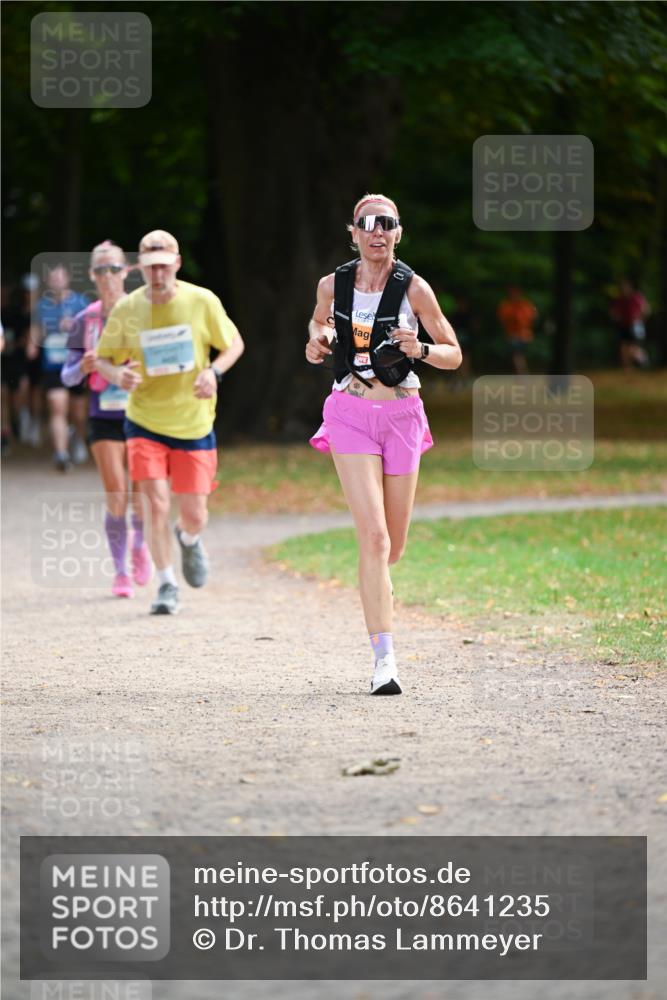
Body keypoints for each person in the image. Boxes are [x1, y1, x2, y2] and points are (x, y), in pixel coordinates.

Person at [306, 193, 461, 695]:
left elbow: (454, 355)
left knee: (392, 547)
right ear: (352, 232)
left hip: (401, 414)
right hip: (349, 412)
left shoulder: (415, 289)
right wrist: (315, 339)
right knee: (373, 539)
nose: (377, 232)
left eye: (386, 224)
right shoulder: (333, 285)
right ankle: (385, 661)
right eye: (367, 224)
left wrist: (422, 349)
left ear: (398, 232)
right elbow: (318, 322)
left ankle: (380, 599)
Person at [95, 230, 244, 615]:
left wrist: (214, 373)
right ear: (140, 269)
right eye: (150, 268)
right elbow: (103, 359)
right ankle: (166, 584)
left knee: (194, 512)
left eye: (164, 266)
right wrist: (118, 377)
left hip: (193, 423)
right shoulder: (127, 309)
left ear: (176, 263)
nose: (157, 275)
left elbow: (234, 344)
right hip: (144, 420)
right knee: (155, 503)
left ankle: (189, 539)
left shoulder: (201, 301)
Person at [61, 240, 152, 599]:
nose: (108, 276)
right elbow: (66, 377)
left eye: (114, 268)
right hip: (104, 415)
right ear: (93, 276)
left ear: (127, 272)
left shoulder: (143, 312)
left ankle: (140, 546)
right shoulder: (85, 320)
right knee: (116, 493)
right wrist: (82, 367)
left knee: (141, 492)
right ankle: (119, 572)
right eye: (101, 270)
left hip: (144, 412)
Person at [27, 264, 89, 470]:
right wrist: (32, 344)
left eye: (60, 278)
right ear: (48, 282)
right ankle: (61, 454)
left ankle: (78, 438)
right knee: (56, 405)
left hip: (77, 364)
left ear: (67, 279)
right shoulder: (41, 306)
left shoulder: (81, 302)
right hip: (53, 364)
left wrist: (74, 327)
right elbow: (35, 331)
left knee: (78, 411)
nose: (57, 282)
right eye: (53, 279)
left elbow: (92, 332)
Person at [610, 278, 650, 371]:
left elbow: (646, 310)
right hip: (624, 325)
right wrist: (616, 317)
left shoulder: (636, 298)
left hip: (635, 325)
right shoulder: (620, 299)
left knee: (633, 347)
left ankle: (642, 359)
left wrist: (640, 320)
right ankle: (627, 368)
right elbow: (614, 312)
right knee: (623, 347)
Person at [497, 286, 537, 375]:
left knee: (518, 356)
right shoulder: (506, 306)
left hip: (523, 335)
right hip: (512, 335)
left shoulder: (525, 305)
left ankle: (522, 375)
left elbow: (532, 317)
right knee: (517, 356)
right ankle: (522, 375)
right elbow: (503, 320)